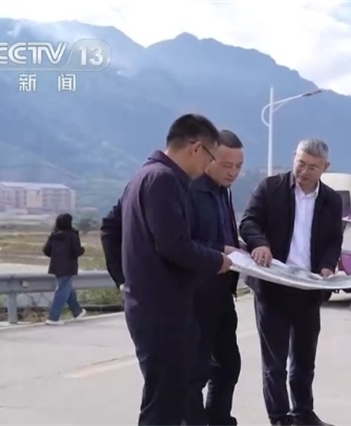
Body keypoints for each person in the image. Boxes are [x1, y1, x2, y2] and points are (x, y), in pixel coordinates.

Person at [119, 113, 237, 426]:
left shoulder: (145, 174)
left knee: (164, 400)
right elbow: (173, 245)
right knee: (164, 407)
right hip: (162, 310)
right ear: (196, 148)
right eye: (211, 157)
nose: (207, 166)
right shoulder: (164, 179)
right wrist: (218, 260)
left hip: (152, 306)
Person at [239, 138, 343, 426]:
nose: (304, 171)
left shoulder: (331, 200)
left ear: (325, 168)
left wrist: (327, 266)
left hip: (308, 289)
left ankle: (303, 413)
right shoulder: (270, 188)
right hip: (273, 286)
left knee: (304, 361)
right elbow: (248, 222)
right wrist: (259, 243)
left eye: (312, 167)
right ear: (293, 157)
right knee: (275, 363)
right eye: (300, 163)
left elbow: (333, 240)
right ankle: (279, 418)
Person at [185, 130, 245, 426]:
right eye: (226, 165)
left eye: (238, 167)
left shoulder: (224, 191)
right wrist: (221, 250)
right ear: (209, 157)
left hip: (222, 293)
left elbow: (225, 235)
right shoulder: (190, 190)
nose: (233, 172)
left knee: (228, 364)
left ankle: (219, 419)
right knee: (194, 371)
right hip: (196, 295)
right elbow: (183, 243)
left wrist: (243, 250)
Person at [42, 212, 87, 325]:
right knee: (62, 290)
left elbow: (46, 250)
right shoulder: (72, 235)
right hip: (68, 266)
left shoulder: (54, 235)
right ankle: (53, 317)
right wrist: (82, 250)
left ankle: (77, 312)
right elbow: (76, 251)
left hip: (56, 266)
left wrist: (56, 255)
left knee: (67, 289)